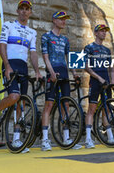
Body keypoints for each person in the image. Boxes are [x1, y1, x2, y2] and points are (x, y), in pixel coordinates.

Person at [0, 0, 42, 153]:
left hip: (23, 67)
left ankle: (16, 140)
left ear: (30, 12)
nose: (24, 11)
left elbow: (33, 53)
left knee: (20, 104)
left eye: (27, 9)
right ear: (17, 11)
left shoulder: (32, 32)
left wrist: (37, 71)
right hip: (10, 64)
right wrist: (7, 65)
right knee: (14, 96)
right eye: (22, 9)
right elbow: (2, 45)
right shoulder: (8, 25)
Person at [40, 11, 81, 151]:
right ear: (54, 20)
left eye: (65, 19)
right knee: (49, 105)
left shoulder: (65, 40)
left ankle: (66, 138)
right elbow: (45, 57)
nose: (64, 21)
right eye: (61, 19)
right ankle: (45, 139)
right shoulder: (46, 36)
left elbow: (69, 58)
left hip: (64, 73)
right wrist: (51, 72)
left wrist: (74, 74)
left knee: (66, 105)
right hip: (52, 72)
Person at [83, 24, 114, 149]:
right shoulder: (89, 48)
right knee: (92, 109)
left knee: (107, 110)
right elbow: (86, 66)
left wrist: (113, 81)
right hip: (95, 81)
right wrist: (98, 78)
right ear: (96, 33)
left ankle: (109, 137)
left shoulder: (107, 50)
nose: (104, 33)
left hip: (107, 83)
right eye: (101, 31)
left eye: (105, 31)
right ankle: (88, 138)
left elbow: (111, 68)